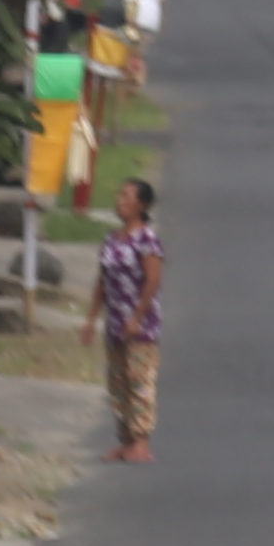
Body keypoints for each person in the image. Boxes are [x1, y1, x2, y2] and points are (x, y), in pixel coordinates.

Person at [82, 177, 163, 463]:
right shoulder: (111, 241)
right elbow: (102, 281)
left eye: (128, 197)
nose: (121, 201)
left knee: (139, 380)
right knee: (118, 382)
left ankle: (141, 441)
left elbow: (153, 281)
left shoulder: (147, 241)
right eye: (120, 195)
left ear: (142, 205)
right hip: (115, 323)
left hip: (141, 326)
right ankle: (125, 439)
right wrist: (91, 320)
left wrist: (137, 317)